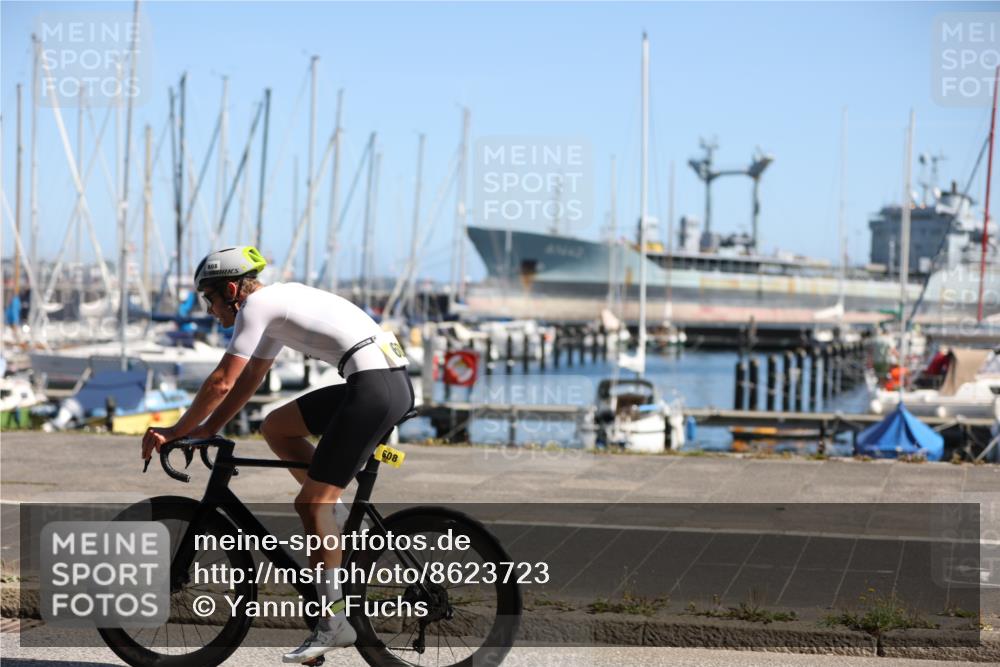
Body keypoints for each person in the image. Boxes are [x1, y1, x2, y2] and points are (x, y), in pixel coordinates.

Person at [141, 246, 414, 664]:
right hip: (380, 380)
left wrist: (175, 431)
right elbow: (249, 379)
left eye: (209, 299)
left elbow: (220, 381)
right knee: (276, 426)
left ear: (231, 289)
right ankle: (334, 516)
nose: (210, 310)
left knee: (309, 503)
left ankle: (333, 623)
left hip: (374, 388)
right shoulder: (272, 309)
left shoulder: (257, 307)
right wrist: (208, 429)